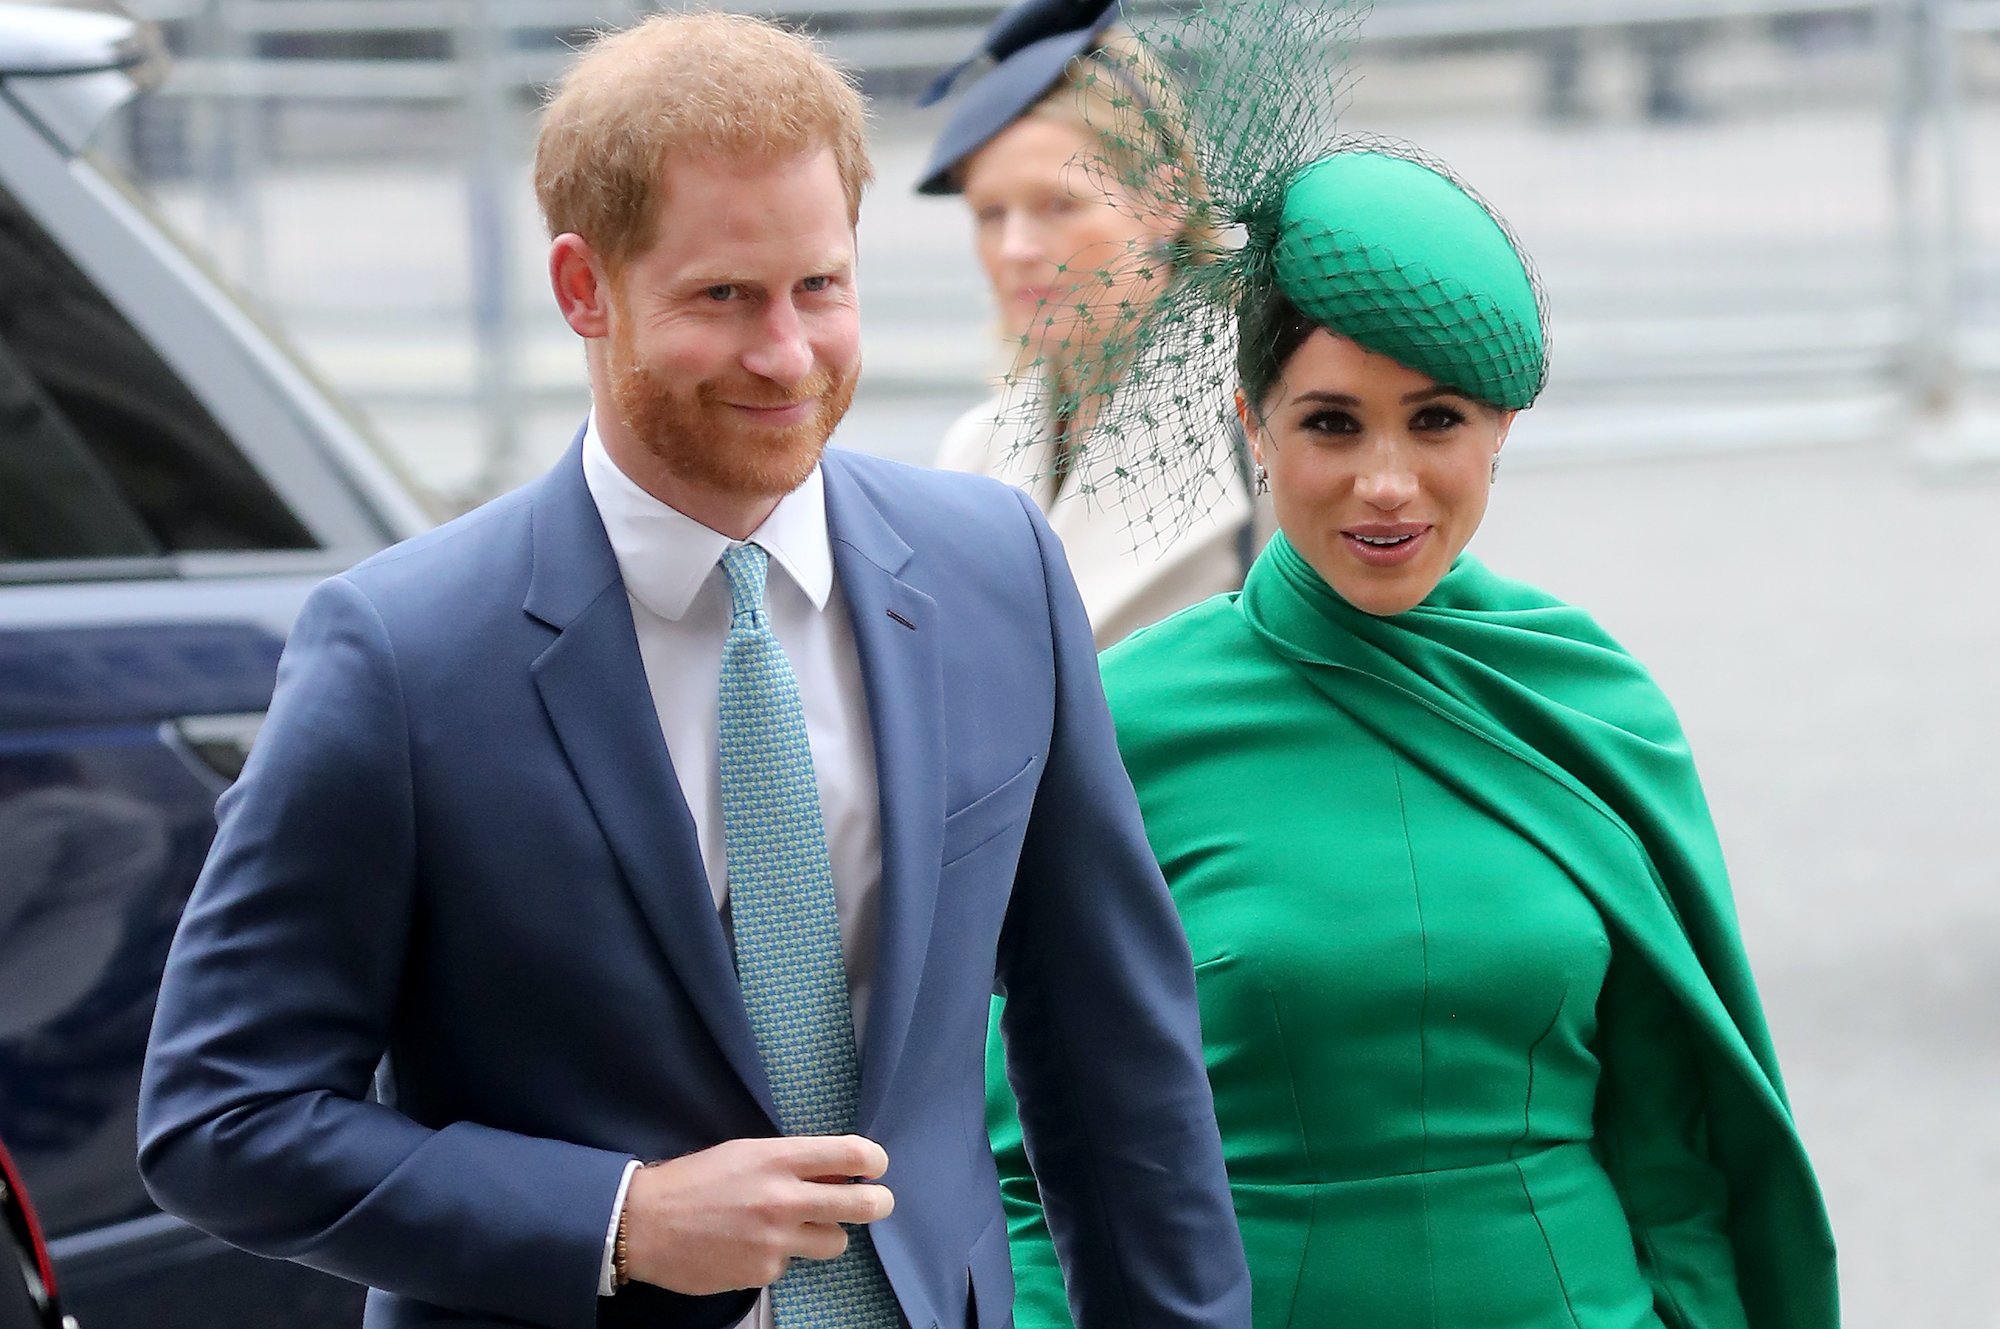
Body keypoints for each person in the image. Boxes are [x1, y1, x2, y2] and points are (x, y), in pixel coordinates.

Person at [135, 15, 1250, 1329]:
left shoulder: (994, 569)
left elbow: (1119, 1070)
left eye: (821, 288)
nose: (787, 356)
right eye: (724, 297)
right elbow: (220, 1117)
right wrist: (620, 1221)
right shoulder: (401, 653)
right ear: (581, 289)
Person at [981, 28, 1840, 1327]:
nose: (1388, 482)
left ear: (1501, 432)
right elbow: (1028, 1165)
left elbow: (1680, 1147)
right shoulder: (1121, 722)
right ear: (1251, 424)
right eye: (1332, 422)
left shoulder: (1593, 702)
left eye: (1437, 421)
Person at [917, 0, 1263, 647]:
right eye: (991, 214)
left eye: (1059, 204)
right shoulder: (973, 451)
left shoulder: (1268, 425)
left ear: (1165, 200)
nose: (1016, 246)